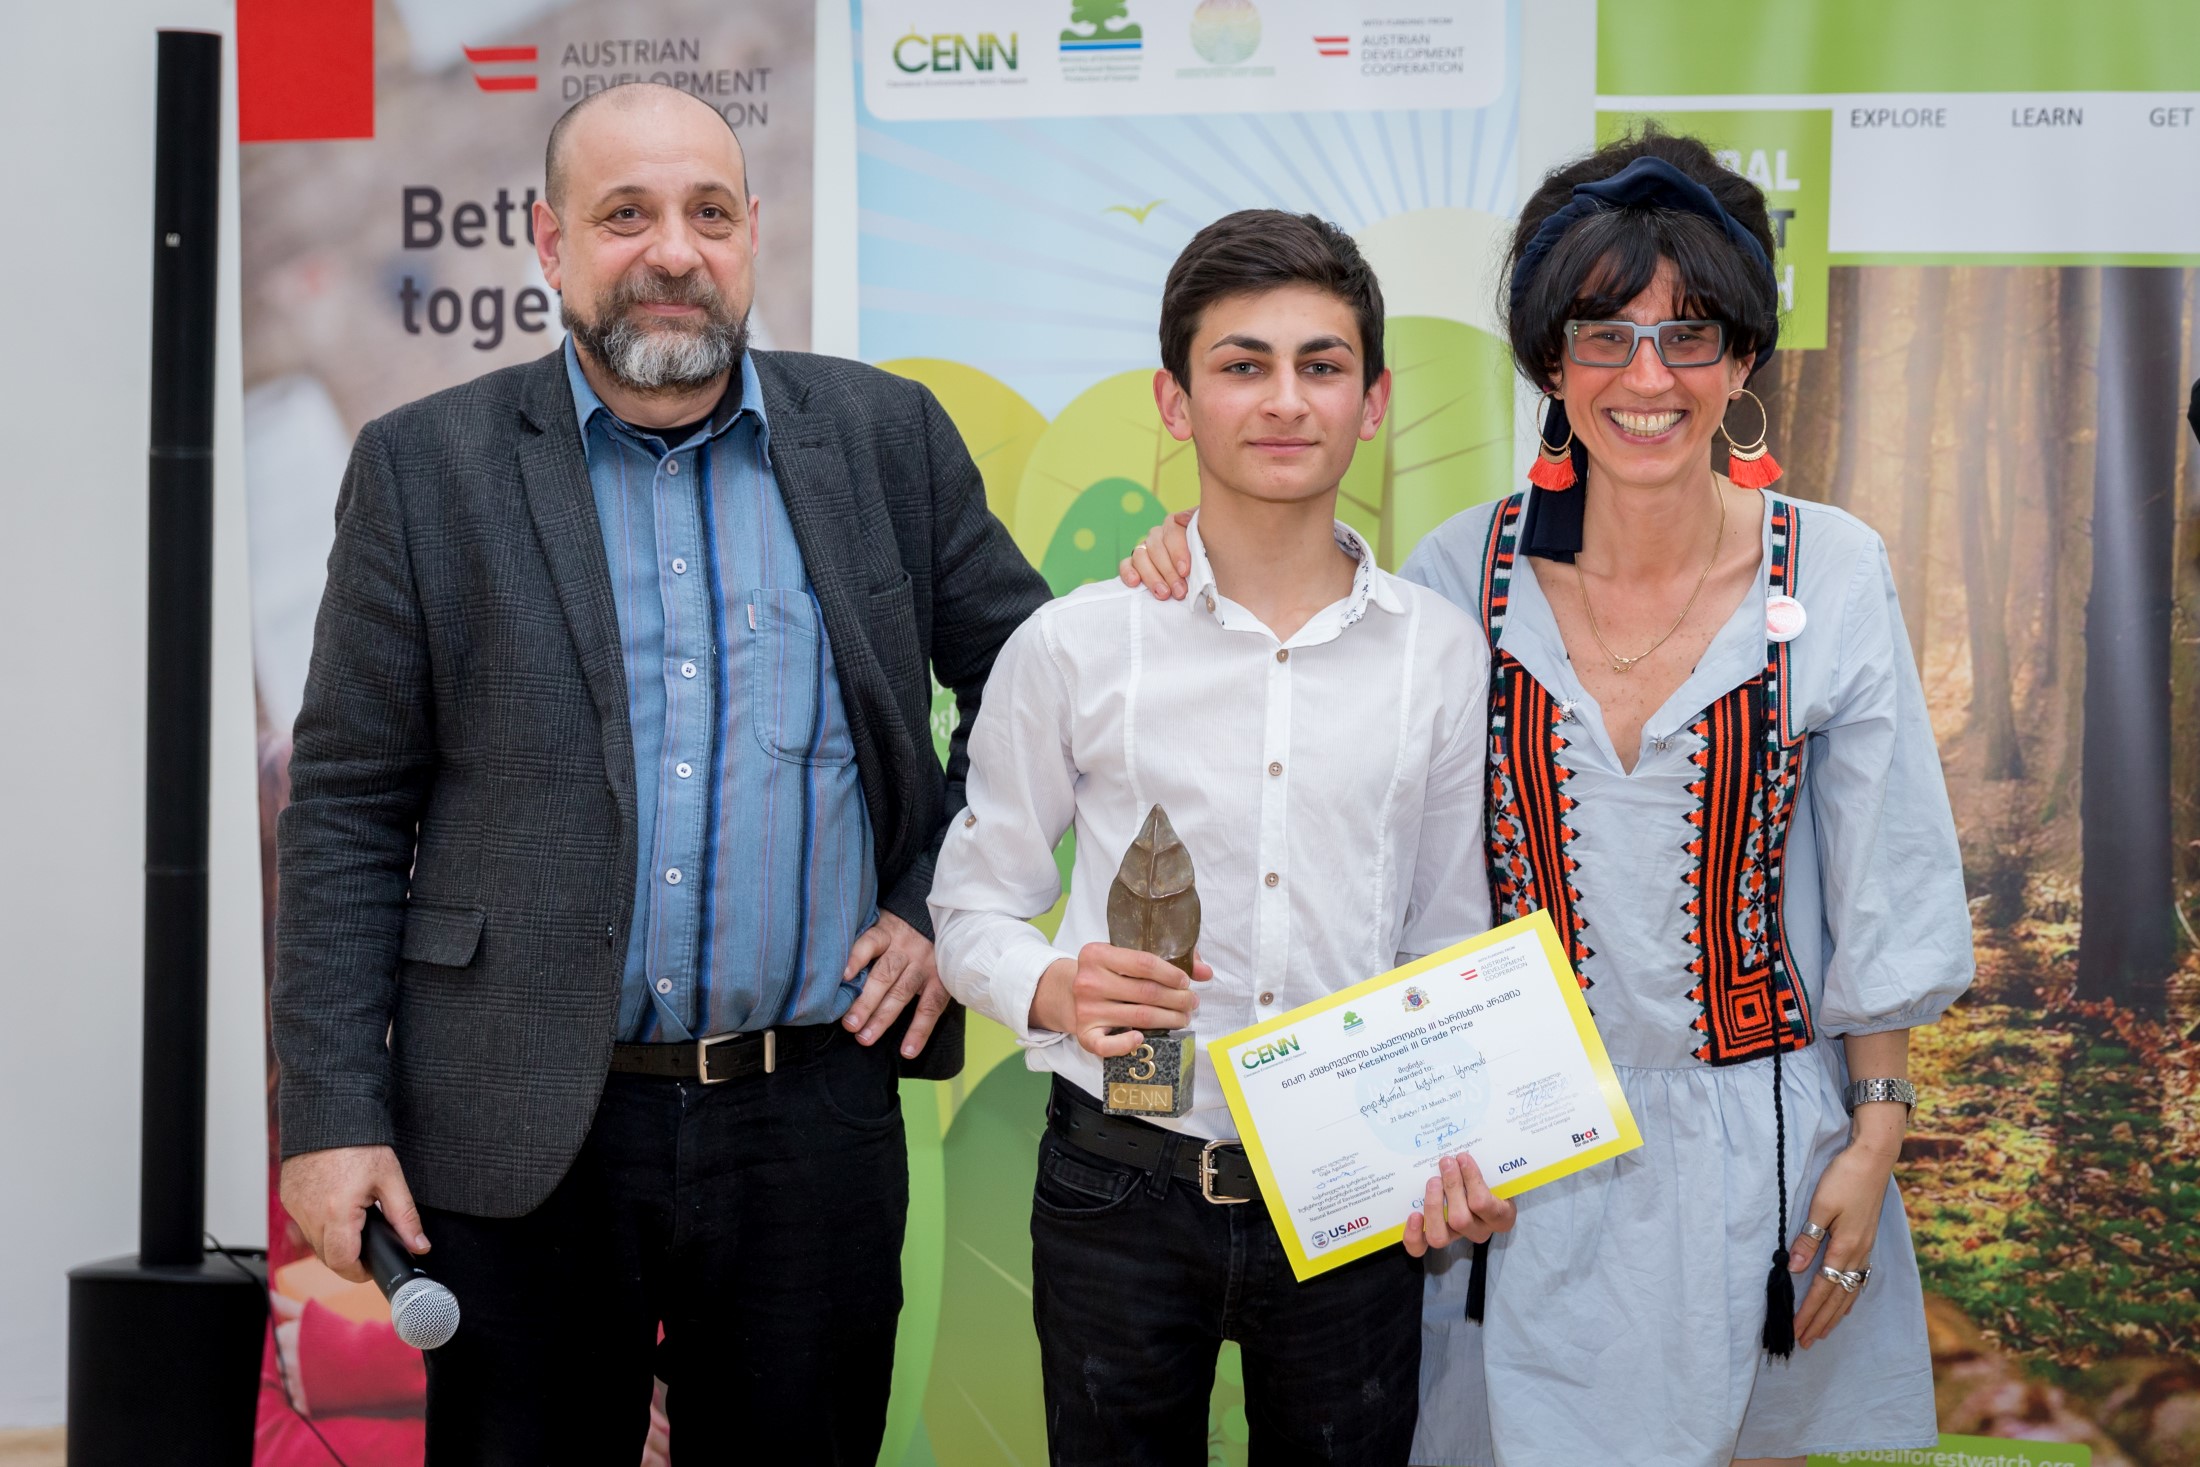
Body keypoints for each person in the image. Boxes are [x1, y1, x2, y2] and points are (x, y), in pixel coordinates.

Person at [1120, 130, 1971, 1467]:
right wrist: (1184, 557)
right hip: (1511, 1162)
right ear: (1549, 362)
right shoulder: (1463, 571)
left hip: (1762, 1156)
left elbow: (1886, 878)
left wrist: (1873, 1141)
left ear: (1743, 357)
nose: (1648, 377)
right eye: (1603, 334)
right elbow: (1319, 709)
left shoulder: (1834, 570)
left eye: (1689, 335)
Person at [270, 82, 1048, 1463]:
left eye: (708, 214)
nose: (673, 251)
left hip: (810, 1116)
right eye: (625, 214)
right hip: (518, 1124)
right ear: (550, 241)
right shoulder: (424, 470)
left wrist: (938, 903)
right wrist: (332, 1114)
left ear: (753, 234)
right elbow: (344, 811)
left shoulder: (885, 440)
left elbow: (1036, 695)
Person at [928, 210, 1513, 1467]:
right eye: (1243, 365)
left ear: (1372, 402)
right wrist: (1051, 985)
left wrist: (1450, 1135)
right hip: (1117, 1187)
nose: (1285, 399)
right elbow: (971, 905)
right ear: (1175, 401)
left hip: (1353, 1196)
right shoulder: (1076, 645)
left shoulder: (1438, 654)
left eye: (1321, 365)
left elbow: (1444, 936)